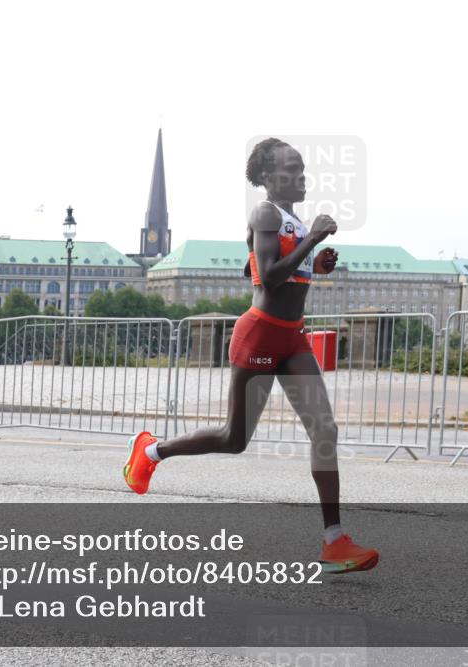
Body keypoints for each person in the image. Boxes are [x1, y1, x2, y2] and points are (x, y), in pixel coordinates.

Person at [123, 138, 378, 574]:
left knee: (325, 428)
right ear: (266, 177)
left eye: (303, 169)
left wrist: (314, 264)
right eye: (291, 169)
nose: (301, 176)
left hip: (293, 339)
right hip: (260, 337)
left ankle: (334, 541)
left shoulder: (290, 220)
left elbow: (255, 269)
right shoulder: (266, 213)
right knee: (234, 439)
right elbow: (270, 279)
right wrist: (312, 239)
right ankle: (150, 451)